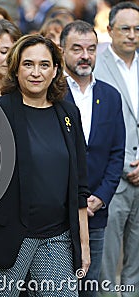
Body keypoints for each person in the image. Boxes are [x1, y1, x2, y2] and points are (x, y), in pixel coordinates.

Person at [0, 34, 91, 297]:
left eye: (44, 65)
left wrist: (83, 245)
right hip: (5, 239)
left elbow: (79, 185)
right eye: (28, 64)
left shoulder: (68, 114)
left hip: (56, 239)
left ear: (56, 69)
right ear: (15, 68)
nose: (36, 72)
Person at [60, 20, 125, 297]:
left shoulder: (110, 96)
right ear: (62, 50)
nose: (85, 55)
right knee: (56, 288)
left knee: (90, 287)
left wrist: (101, 197)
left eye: (91, 49)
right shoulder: (51, 95)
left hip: (96, 212)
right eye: (77, 48)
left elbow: (116, 153)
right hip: (57, 215)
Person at [93, 2, 139, 295]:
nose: (132, 35)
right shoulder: (95, 64)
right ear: (110, 30)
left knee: (137, 265)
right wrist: (124, 165)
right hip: (112, 181)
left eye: (137, 29)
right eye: (125, 28)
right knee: (107, 268)